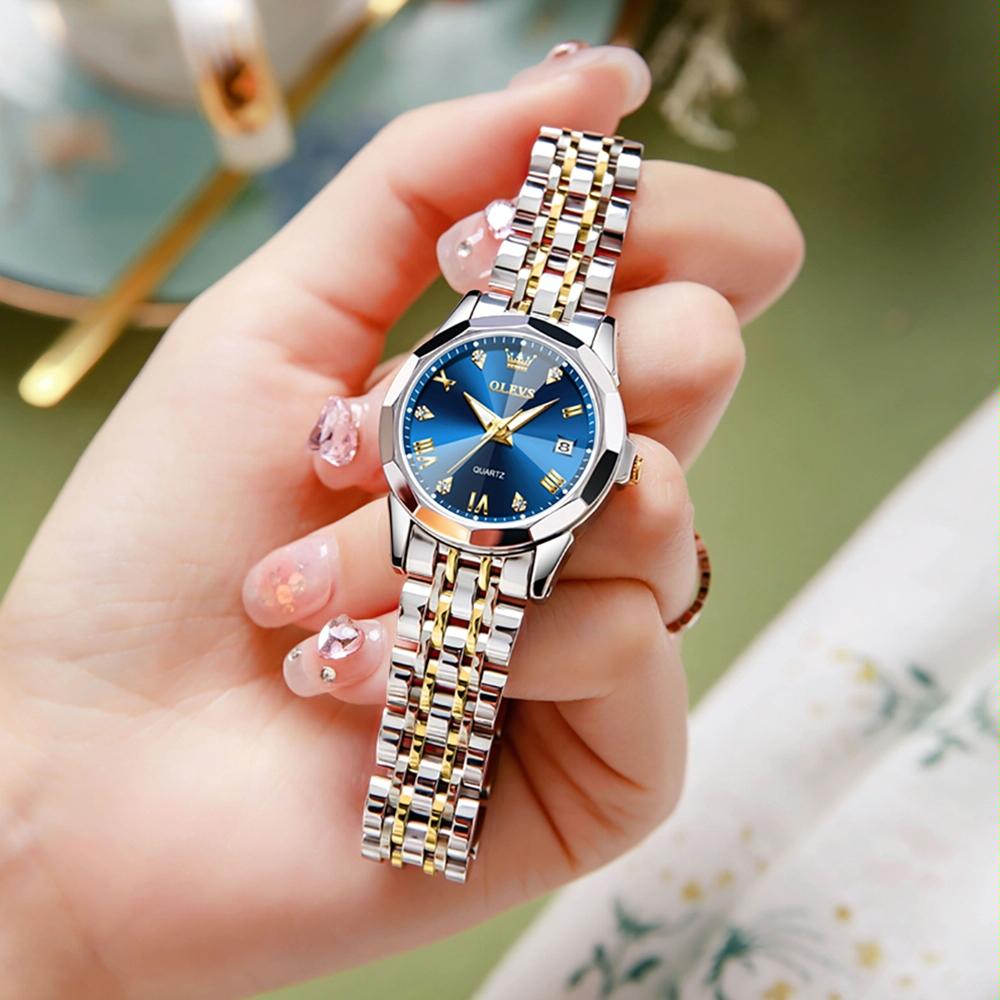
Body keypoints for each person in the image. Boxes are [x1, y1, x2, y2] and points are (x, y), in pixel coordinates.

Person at [0, 45, 802, 998]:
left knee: (679, 350)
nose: (498, 428)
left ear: (604, 468)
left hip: (497, 535)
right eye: (485, 418)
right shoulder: (426, 409)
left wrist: (61, 919)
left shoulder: (590, 447)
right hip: (445, 512)